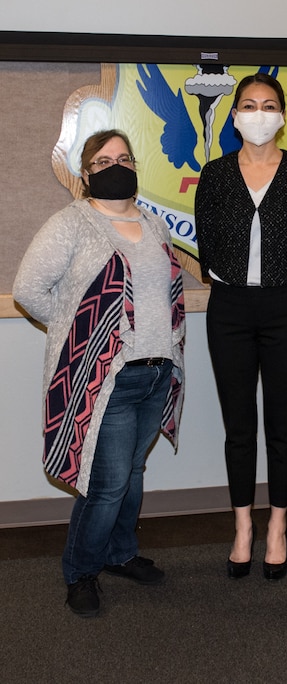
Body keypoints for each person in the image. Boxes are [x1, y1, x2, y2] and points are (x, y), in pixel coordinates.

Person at [13, 129, 185, 618]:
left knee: (131, 473)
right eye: (104, 159)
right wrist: (79, 335)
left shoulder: (154, 224)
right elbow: (29, 289)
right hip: (106, 377)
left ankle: (119, 553)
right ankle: (81, 571)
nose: (117, 165)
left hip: (157, 372)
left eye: (125, 157)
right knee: (105, 483)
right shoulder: (71, 223)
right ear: (86, 173)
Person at [195, 73, 287, 581]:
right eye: (247, 105)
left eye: (269, 105)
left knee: (281, 421)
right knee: (238, 426)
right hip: (228, 308)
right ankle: (242, 526)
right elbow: (207, 243)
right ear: (233, 116)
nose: (258, 113)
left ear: (282, 116)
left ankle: (277, 525)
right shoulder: (215, 174)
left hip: (285, 307)